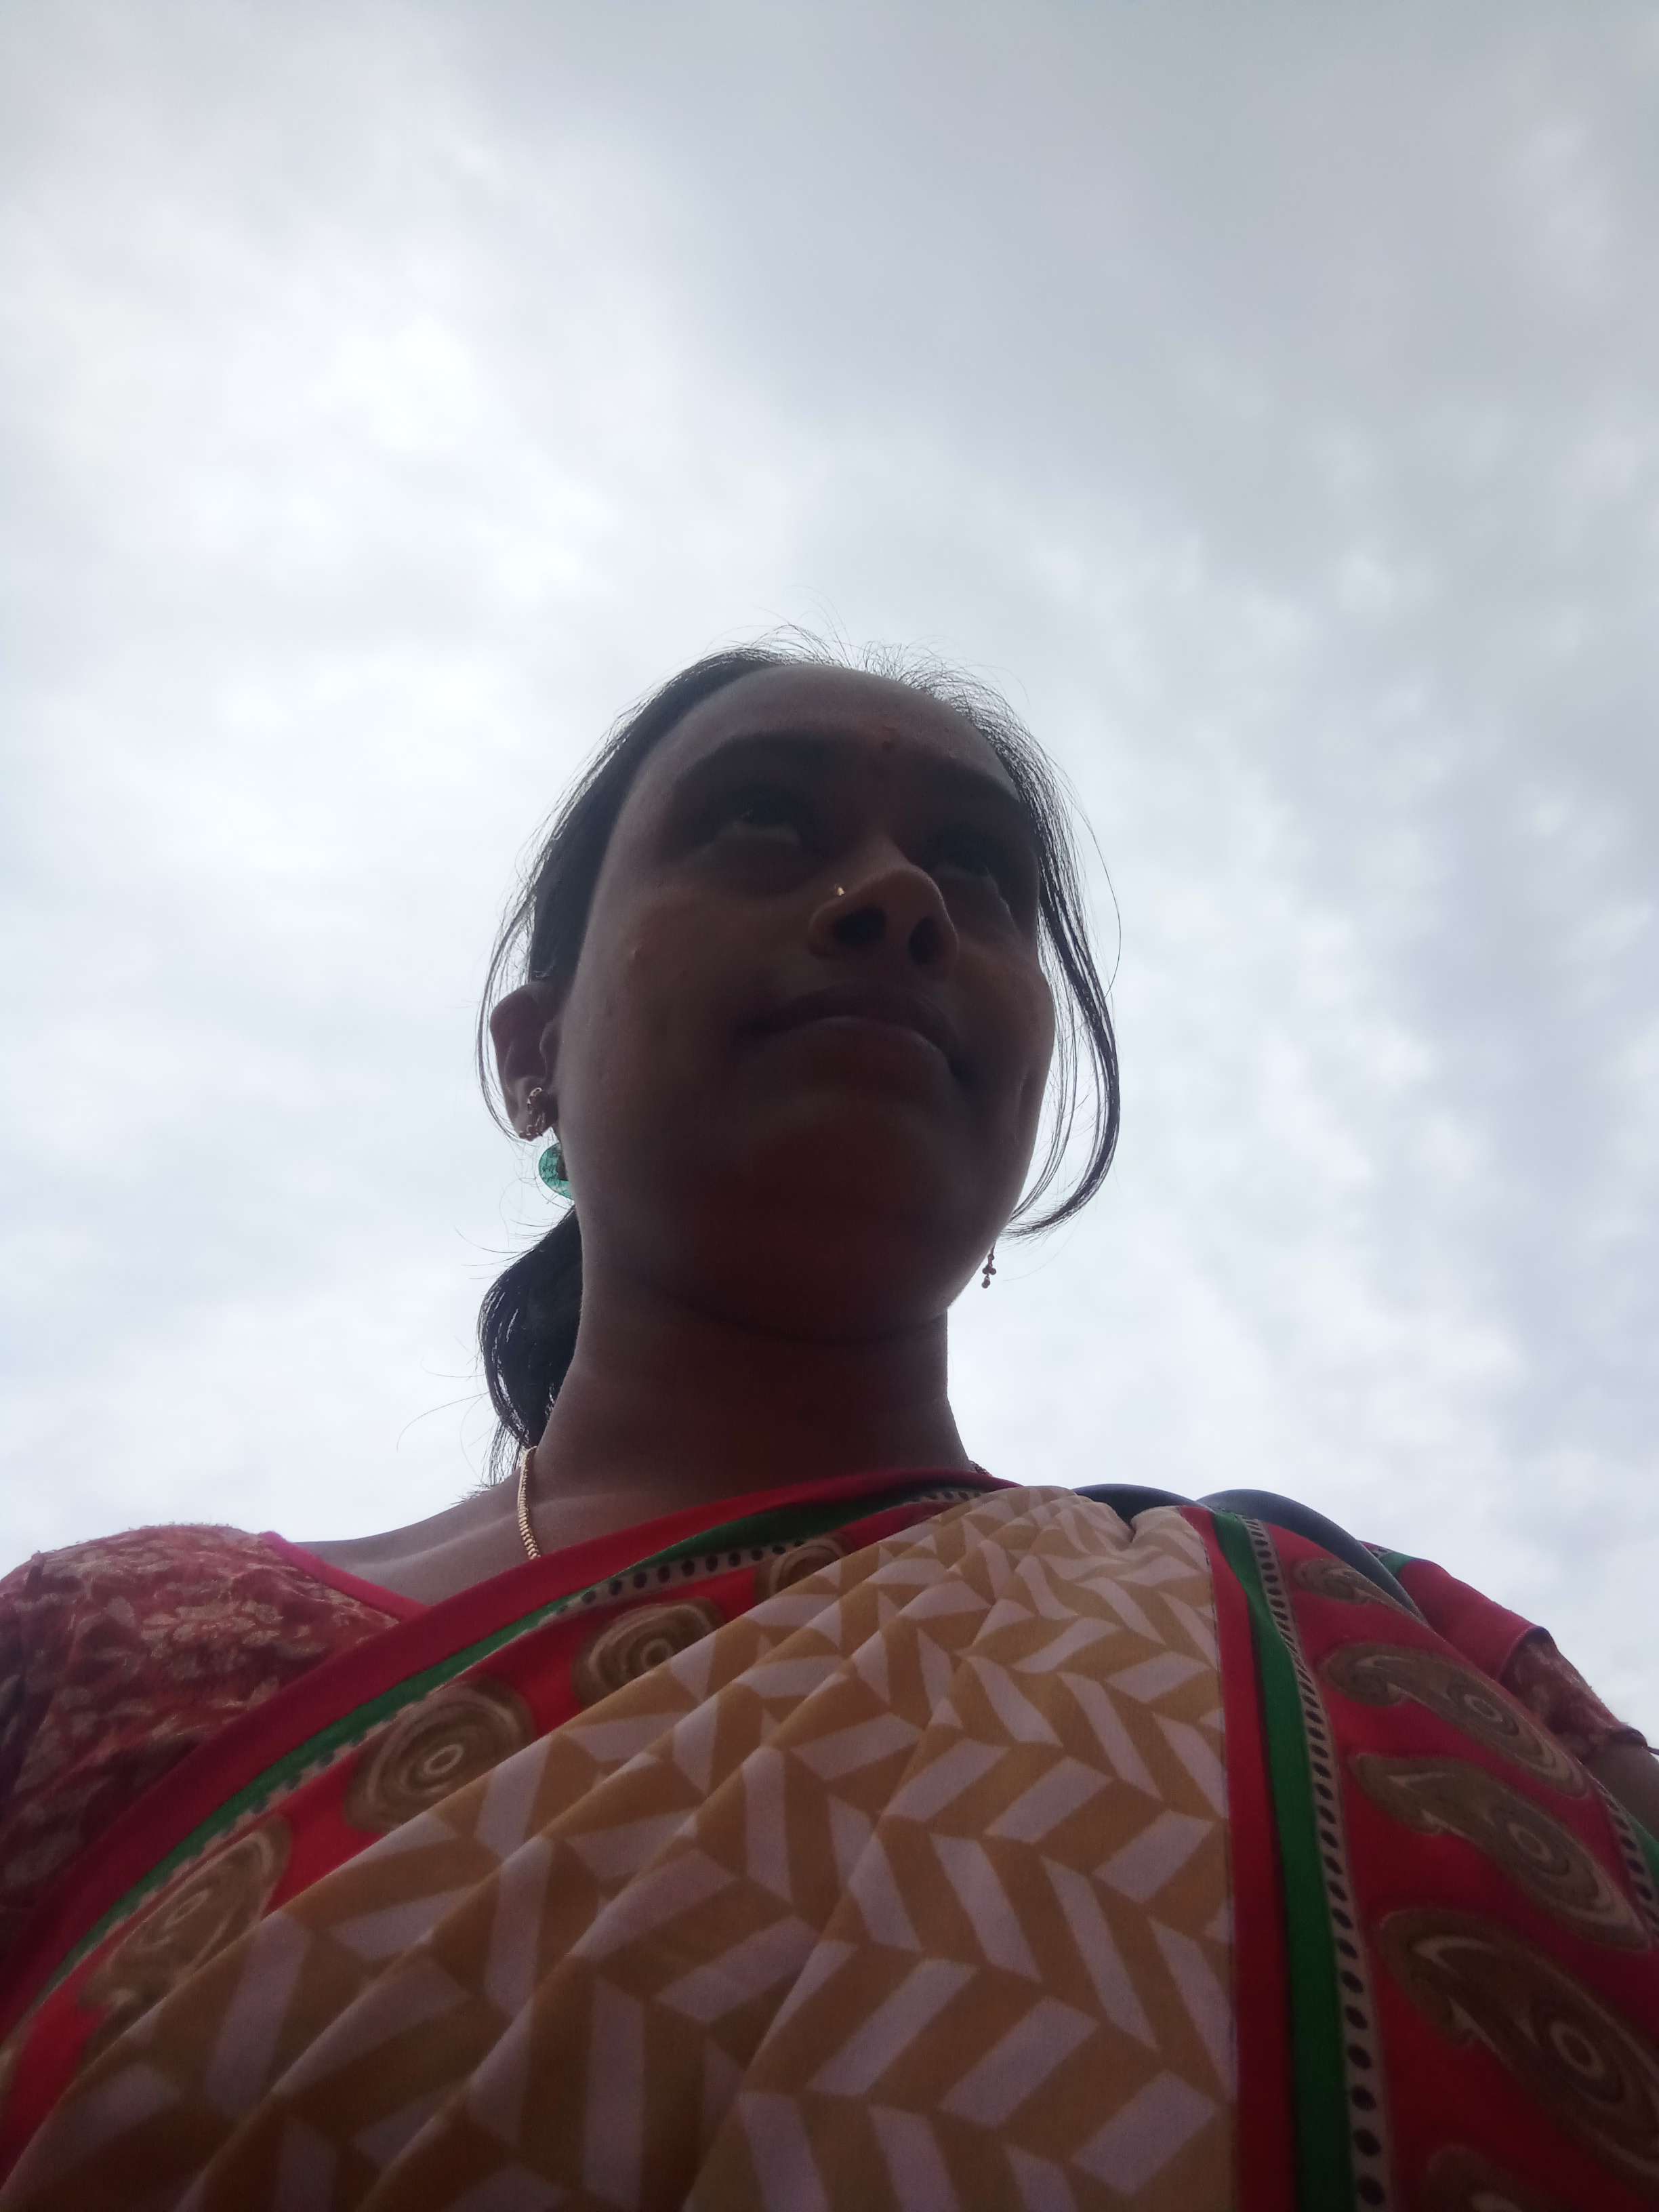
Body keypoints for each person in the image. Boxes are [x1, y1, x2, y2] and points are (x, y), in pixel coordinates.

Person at [1, 640, 1654, 2211]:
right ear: (531, 1058)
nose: (899, 899)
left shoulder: (1389, 1662)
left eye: (980, 873)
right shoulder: (114, 1646)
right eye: (761, 821)